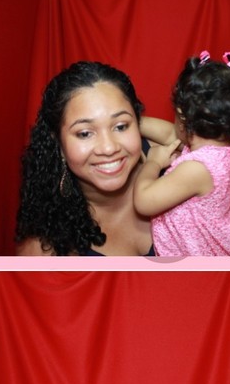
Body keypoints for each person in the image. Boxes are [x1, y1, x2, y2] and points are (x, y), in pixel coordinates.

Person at [16, 62, 154, 256]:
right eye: (84, 133)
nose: (109, 148)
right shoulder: (43, 250)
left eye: (121, 126)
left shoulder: (180, 164)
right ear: (59, 144)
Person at [135, 51, 230, 256]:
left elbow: (144, 201)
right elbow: (170, 134)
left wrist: (153, 162)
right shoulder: (220, 149)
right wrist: (130, 123)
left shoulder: (197, 168)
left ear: (182, 116)